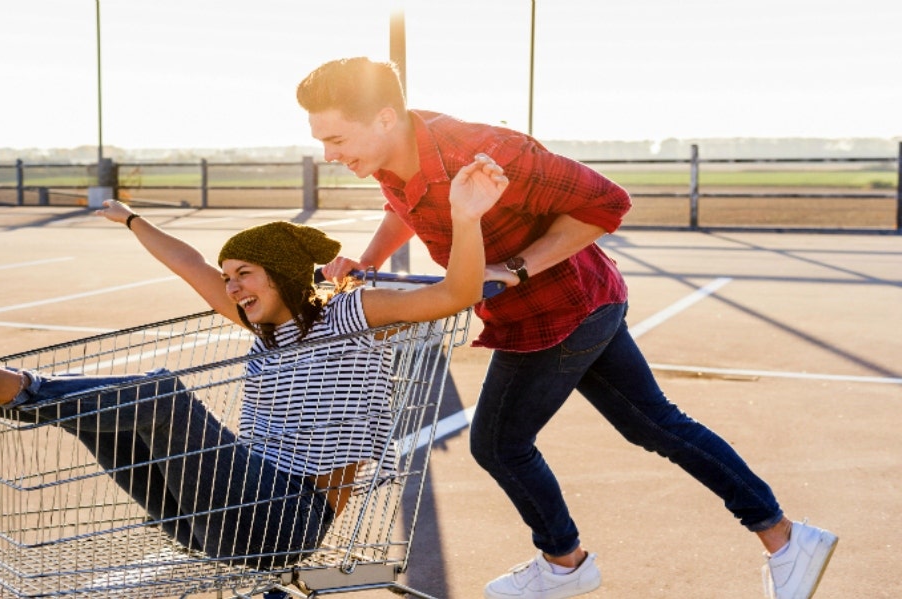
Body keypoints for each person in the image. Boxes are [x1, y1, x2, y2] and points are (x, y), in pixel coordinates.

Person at [296, 56, 837, 599]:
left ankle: (564, 562)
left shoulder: (485, 154)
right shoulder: (393, 155)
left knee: (500, 445)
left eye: (337, 139)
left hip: (557, 312)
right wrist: (364, 262)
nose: (330, 154)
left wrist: (515, 268)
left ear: (386, 118)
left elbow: (608, 202)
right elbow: (405, 207)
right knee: (655, 424)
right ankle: (786, 538)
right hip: (577, 305)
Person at [0, 155, 508, 570]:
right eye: (232, 278)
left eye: (247, 274)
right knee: (111, 419)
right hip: (217, 510)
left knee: (157, 396)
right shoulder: (260, 327)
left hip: (283, 520)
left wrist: (468, 217)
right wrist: (135, 220)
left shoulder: (352, 313)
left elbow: (460, 292)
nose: (232, 286)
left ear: (289, 271)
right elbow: (192, 264)